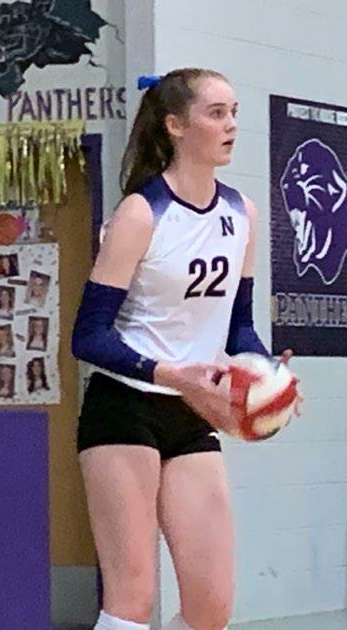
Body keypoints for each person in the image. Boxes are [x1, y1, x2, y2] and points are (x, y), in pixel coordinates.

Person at [71, 68, 288, 630]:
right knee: (131, 598)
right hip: (125, 407)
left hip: (191, 415)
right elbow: (88, 336)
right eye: (216, 113)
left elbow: (237, 329)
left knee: (211, 607)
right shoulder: (141, 213)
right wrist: (175, 375)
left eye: (234, 112)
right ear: (175, 125)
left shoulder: (241, 213)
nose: (231, 124)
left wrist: (269, 375)